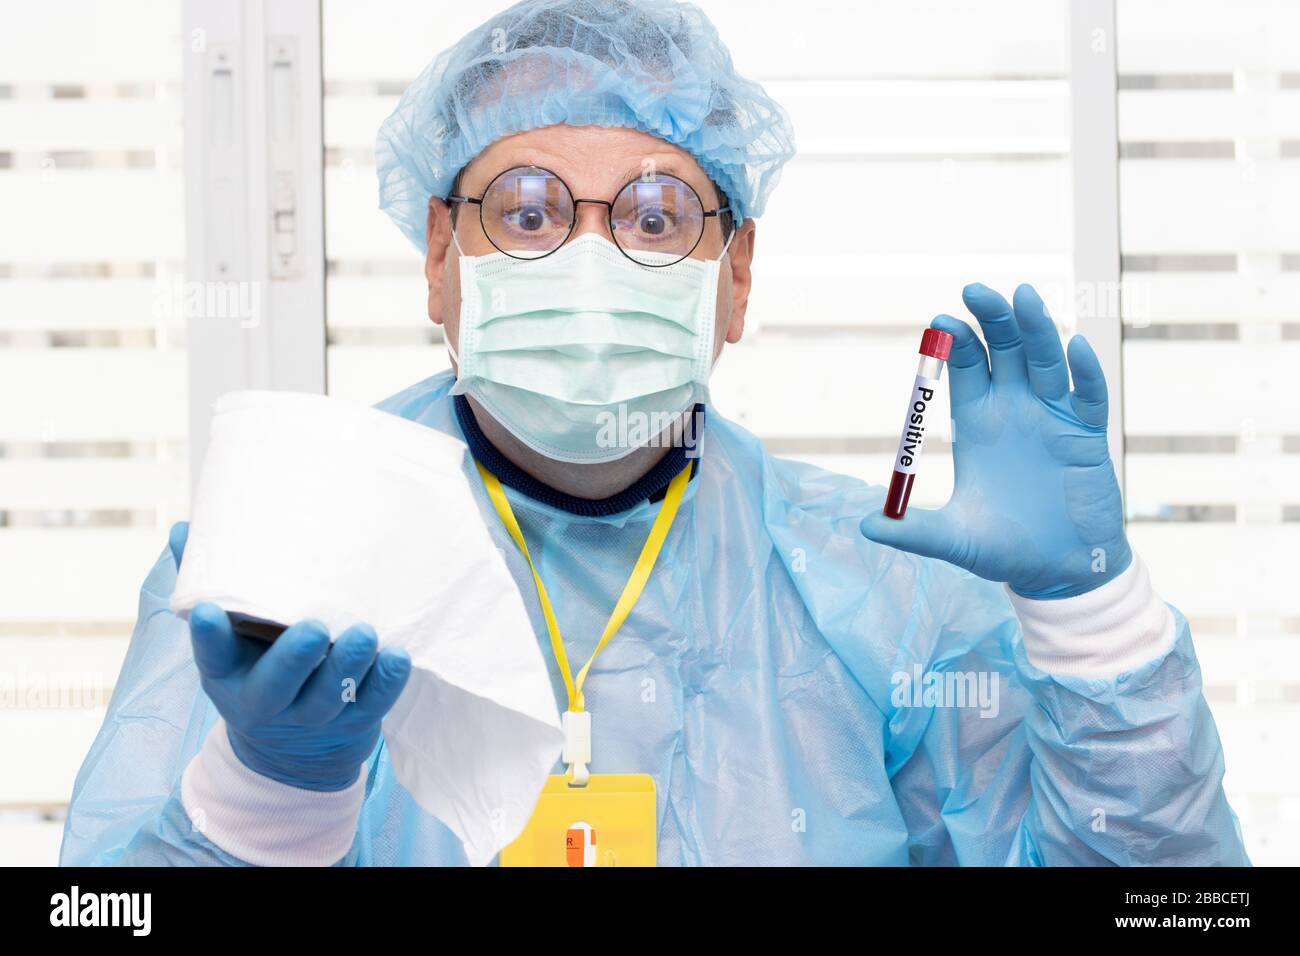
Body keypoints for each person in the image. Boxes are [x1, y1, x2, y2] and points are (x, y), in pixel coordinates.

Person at [61, 0, 1249, 866]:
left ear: (736, 275)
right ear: (438, 254)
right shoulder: (284, 566)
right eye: (527, 211)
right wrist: (267, 796)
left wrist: (1090, 618)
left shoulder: (884, 593)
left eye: (656, 216)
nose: (589, 257)